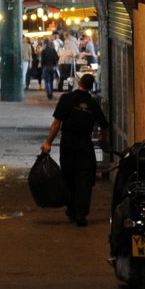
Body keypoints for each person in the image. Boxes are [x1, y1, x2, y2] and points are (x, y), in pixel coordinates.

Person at [41, 72, 109, 226]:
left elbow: (57, 123)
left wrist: (48, 142)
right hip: (85, 144)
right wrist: (103, 139)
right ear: (91, 87)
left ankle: (71, 210)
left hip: (68, 143)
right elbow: (104, 126)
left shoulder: (67, 99)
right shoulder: (93, 104)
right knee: (84, 179)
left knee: (69, 176)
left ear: (79, 83)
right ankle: (81, 214)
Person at [39, 34, 58, 98]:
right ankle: (51, 92)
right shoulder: (53, 50)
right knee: (51, 80)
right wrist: (55, 64)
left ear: (44, 44)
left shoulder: (43, 51)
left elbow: (42, 60)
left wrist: (42, 66)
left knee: (47, 81)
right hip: (52, 67)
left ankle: (49, 93)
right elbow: (57, 58)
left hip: (46, 67)